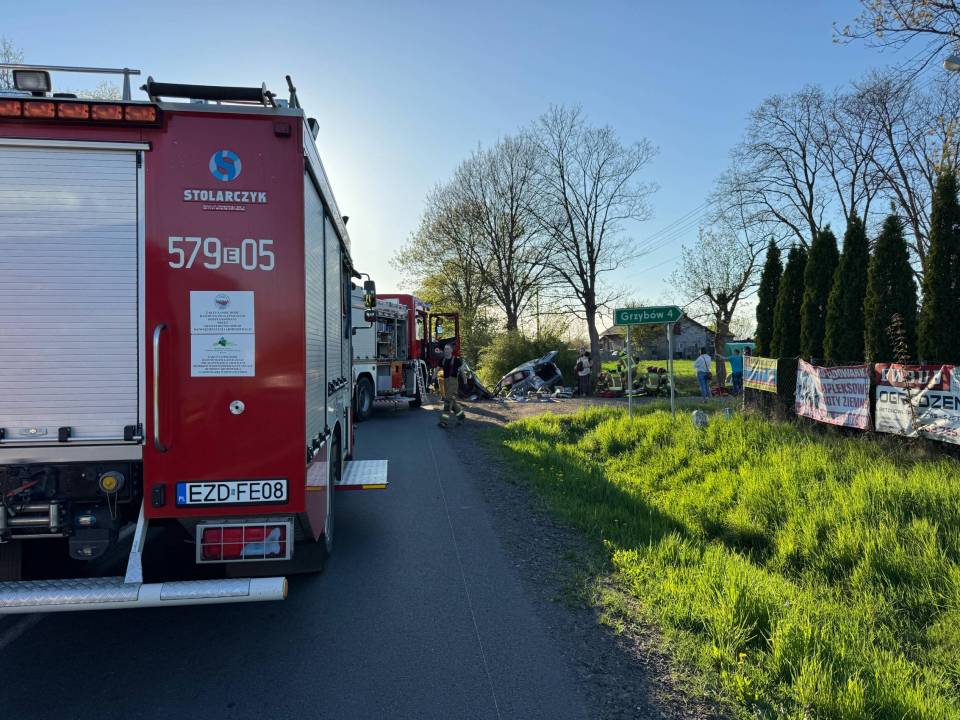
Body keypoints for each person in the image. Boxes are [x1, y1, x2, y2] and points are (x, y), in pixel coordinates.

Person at [438, 344, 465, 427]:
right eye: (445, 349)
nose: (445, 350)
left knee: (447, 401)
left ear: (451, 350)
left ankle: (444, 422)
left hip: (453, 384)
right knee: (453, 404)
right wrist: (432, 378)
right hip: (446, 383)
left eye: (447, 349)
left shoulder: (457, 360)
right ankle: (461, 417)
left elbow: (462, 371)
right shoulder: (442, 360)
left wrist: (465, 382)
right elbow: (437, 369)